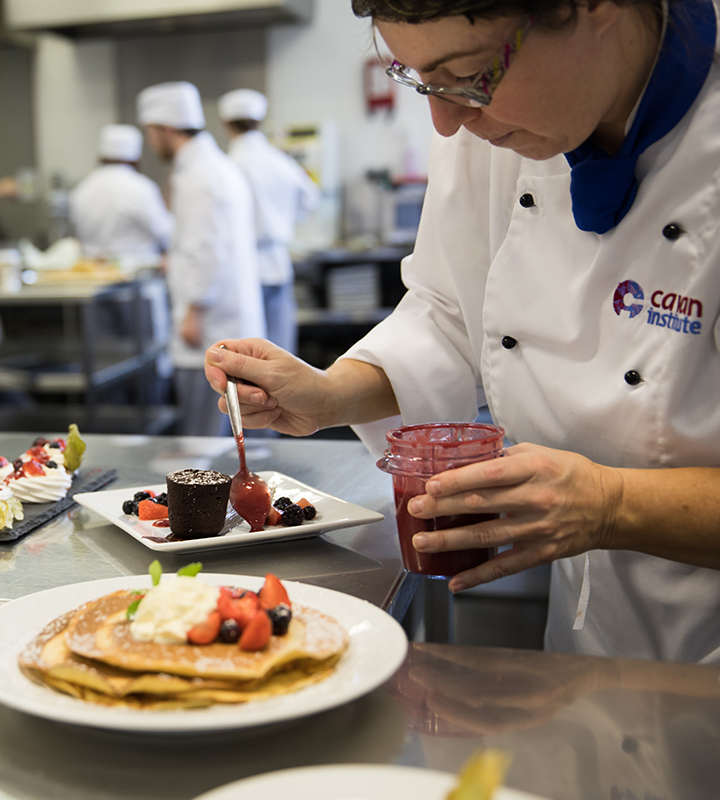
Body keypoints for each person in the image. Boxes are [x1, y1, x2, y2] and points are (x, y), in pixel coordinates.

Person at [205, 0, 720, 663]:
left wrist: (607, 503)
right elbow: (450, 311)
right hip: (590, 648)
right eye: (420, 82)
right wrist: (331, 394)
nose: (445, 124)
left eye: (471, 75)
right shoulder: (494, 126)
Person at [138, 81, 265, 435]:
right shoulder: (211, 166)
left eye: (151, 132)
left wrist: (194, 310)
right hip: (224, 316)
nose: (150, 142)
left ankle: (201, 492)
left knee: (204, 436)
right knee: (229, 429)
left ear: (166, 129)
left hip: (210, 324)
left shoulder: (199, 176)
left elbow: (205, 247)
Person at [218, 89, 320, 354]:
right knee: (280, 353)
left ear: (226, 123)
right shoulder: (280, 161)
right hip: (279, 264)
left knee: (248, 358)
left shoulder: (229, 165)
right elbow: (311, 198)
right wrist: (284, 219)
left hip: (245, 267)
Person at [69, 124, 173, 260]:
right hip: (139, 276)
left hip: (94, 274)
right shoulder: (141, 188)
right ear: (136, 159)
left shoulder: (81, 190)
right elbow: (166, 233)